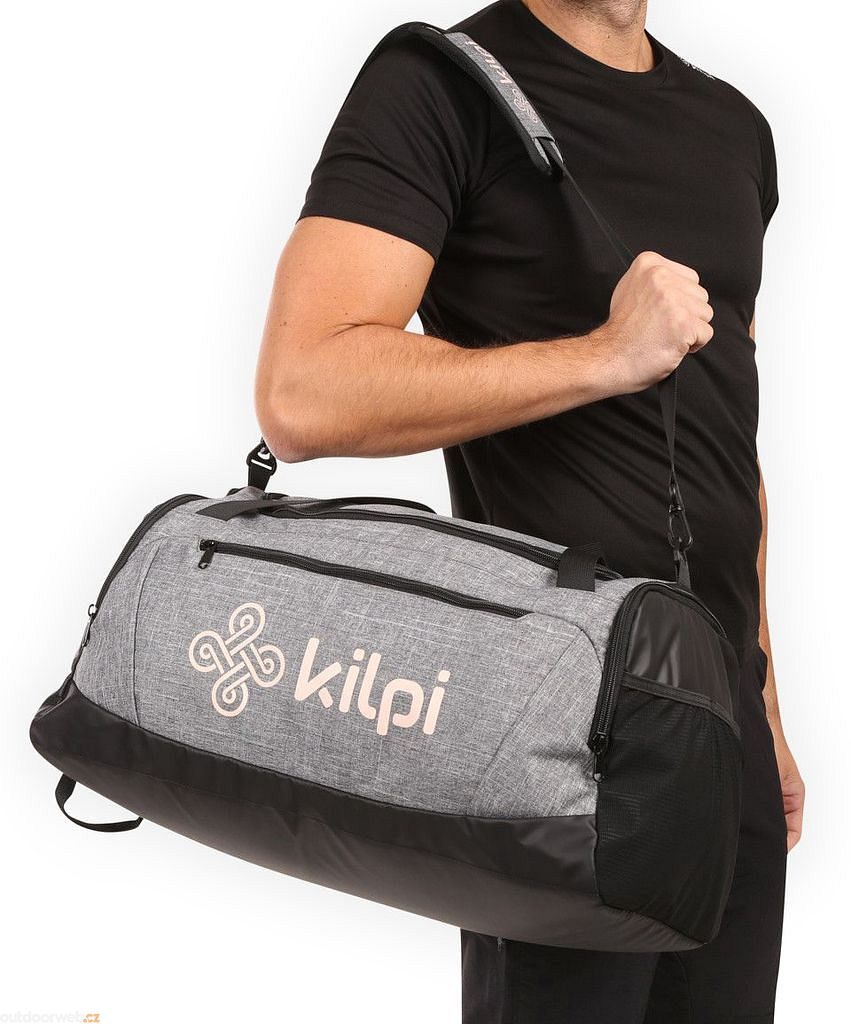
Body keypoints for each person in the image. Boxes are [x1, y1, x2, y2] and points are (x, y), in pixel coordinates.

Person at [254, 0, 804, 1019]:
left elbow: (727, 434)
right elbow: (303, 390)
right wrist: (605, 355)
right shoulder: (439, 84)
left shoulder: (734, 128)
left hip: (716, 717)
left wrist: (761, 702)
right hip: (554, 725)